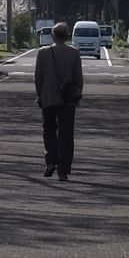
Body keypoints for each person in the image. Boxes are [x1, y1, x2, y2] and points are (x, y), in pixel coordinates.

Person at [35, 20, 85, 179]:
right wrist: (76, 94)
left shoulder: (42, 53)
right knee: (66, 134)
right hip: (67, 100)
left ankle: (50, 161)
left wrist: (40, 95)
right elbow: (78, 78)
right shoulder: (74, 53)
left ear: (53, 36)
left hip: (49, 97)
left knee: (48, 130)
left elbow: (38, 77)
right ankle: (63, 170)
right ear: (67, 36)